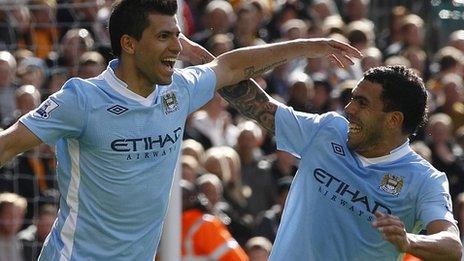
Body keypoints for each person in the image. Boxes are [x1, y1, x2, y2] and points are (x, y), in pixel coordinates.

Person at [0, 0, 361, 259]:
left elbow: (230, 67)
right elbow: (5, 146)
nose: (176, 46)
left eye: (176, 35)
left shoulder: (178, 89)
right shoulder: (81, 99)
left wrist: (306, 46)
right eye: (163, 37)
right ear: (128, 43)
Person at [216, 65, 462, 260]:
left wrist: (409, 241)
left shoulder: (424, 179)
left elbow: (452, 246)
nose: (349, 109)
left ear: (393, 120)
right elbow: (256, 103)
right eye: (353, 99)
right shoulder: (327, 130)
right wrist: (203, 65)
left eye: (362, 103)